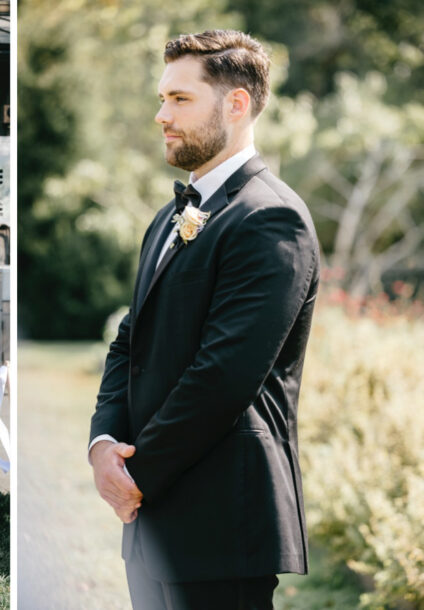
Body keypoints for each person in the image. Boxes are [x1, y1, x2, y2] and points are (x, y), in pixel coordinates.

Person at [88, 30, 320, 608]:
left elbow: (223, 376)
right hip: (152, 526)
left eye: (180, 99)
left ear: (236, 104)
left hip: (223, 522)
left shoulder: (272, 219)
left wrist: (136, 478)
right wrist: (103, 442)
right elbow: (129, 344)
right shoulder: (170, 219)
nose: (162, 115)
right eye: (162, 98)